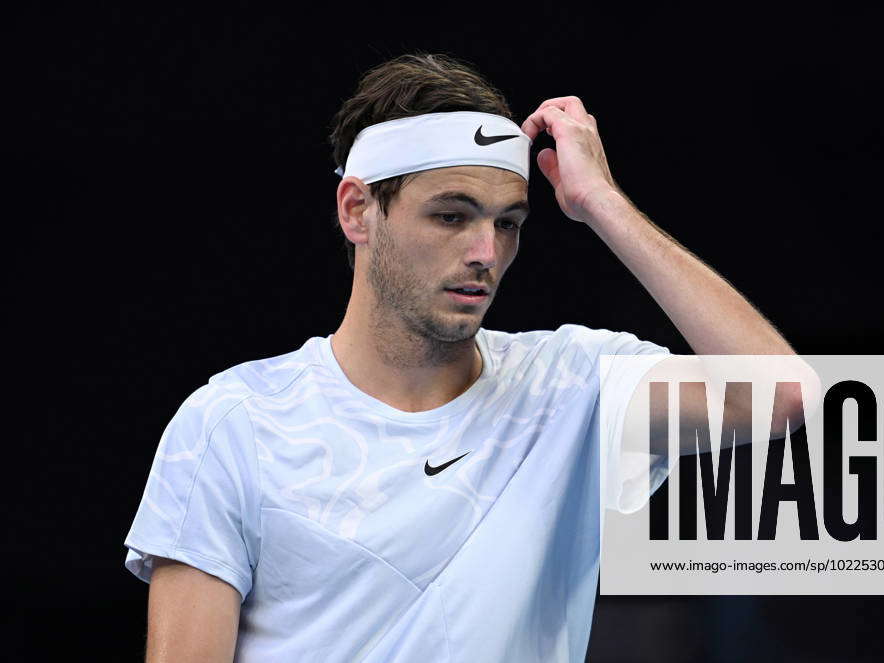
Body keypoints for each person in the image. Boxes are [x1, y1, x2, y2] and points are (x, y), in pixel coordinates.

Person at [123, 52, 798, 662]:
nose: (486, 251)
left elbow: (782, 395)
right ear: (358, 211)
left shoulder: (568, 385)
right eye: (452, 215)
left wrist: (602, 203)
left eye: (507, 222)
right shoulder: (230, 424)